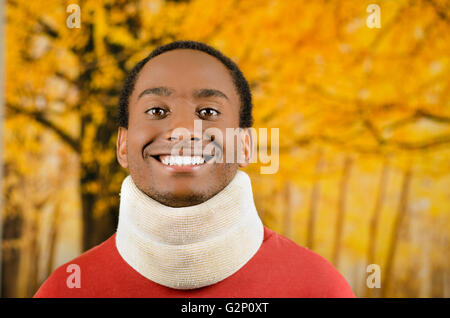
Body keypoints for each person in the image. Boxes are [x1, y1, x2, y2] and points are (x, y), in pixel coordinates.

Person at [34, 40, 355, 298]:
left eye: (209, 111)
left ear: (246, 145)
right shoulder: (65, 291)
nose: (184, 129)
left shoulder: (319, 289)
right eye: (157, 110)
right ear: (122, 145)